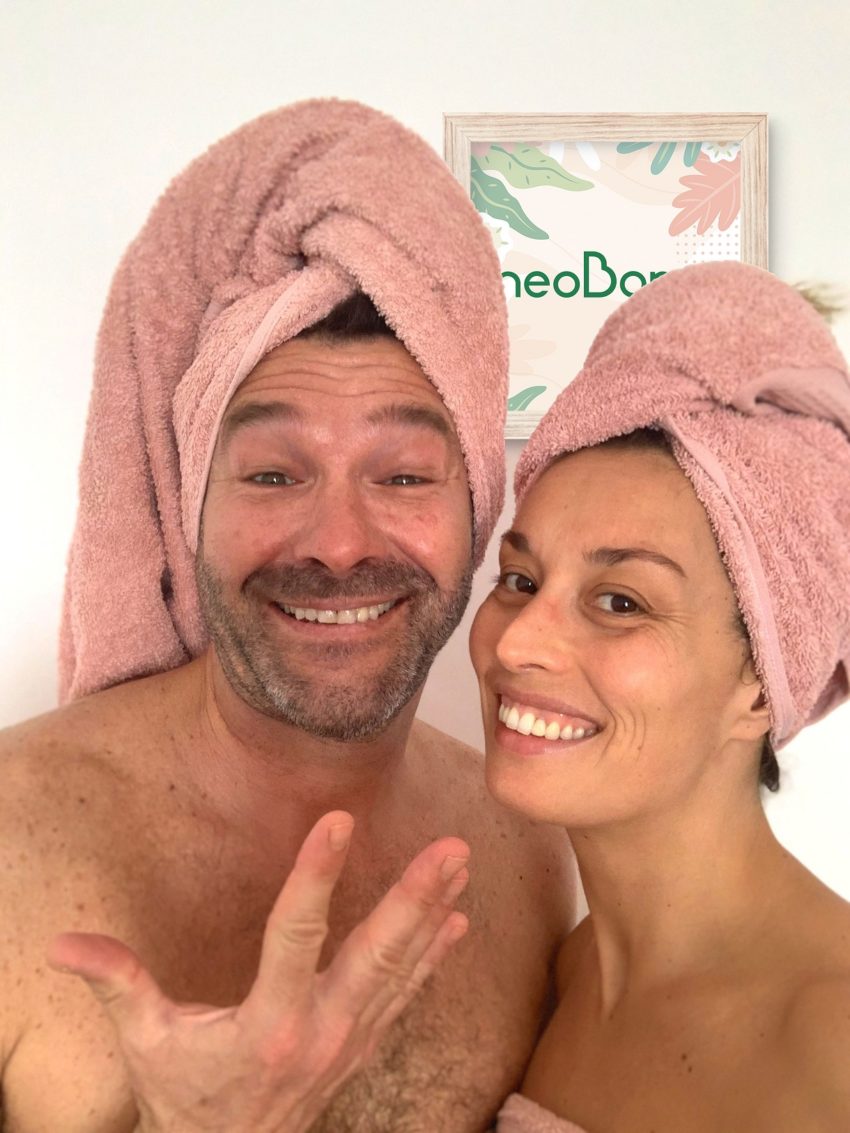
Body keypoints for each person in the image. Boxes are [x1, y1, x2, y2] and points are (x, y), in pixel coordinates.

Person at [0, 100, 573, 1132]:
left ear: (477, 506)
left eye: (404, 474)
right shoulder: (14, 837)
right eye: (272, 472)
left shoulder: (527, 846)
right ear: (190, 506)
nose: (340, 544)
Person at [467, 262, 850, 1132]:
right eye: (520, 579)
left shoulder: (831, 1044)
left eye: (620, 602)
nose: (517, 644)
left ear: (762, 686)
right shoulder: (568, 973)